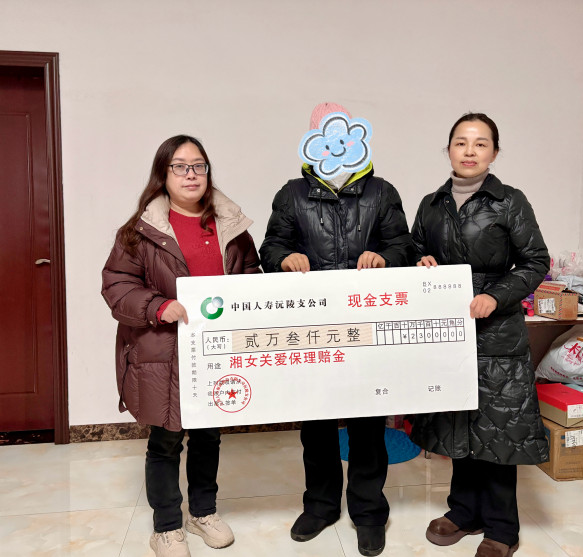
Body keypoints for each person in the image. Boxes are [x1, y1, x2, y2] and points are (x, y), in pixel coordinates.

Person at [259, 102, 413, 557]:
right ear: (312, 142)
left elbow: (403, 245)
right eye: (323, 137)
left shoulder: (381, 192)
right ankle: (321, 506)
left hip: (368, 327)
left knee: (368, 425)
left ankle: (369, 512)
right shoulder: (293, 194)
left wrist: (385, 257)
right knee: (317, 424)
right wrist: (283, 259)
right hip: (315, 328)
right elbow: (271, 246)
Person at [102, 135, 261, 557]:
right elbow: (117, 286)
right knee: (166, 440)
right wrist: (159, 306)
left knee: (209, 436)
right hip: (162, 353)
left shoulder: (231, 228)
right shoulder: (140, 232)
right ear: (163, 174)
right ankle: (167, 526)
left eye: (198, 166)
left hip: (215, 352)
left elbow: (251, 277)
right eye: (180, 166)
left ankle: (202, 513)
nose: (191, 174)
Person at [409, 113, 550, 557]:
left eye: (480, 143)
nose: (469, 151)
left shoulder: (510, 201)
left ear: (494, 152)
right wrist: (421, 262)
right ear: (449, 149)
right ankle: (464, 512)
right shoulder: (431, 203)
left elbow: (536, 261)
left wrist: (496, 295)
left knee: (498, 428)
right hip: (447, 327)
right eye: (461, 142)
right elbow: (413, 249)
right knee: (457, 423)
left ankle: (503, 529)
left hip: (497, 330)